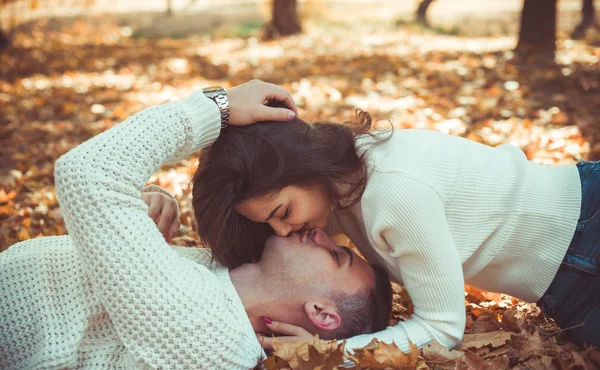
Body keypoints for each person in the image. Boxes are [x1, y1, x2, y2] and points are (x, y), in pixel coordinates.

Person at [0, 80, 393, 370]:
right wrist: (152, 202)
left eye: (338, 257)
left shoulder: (205, 329)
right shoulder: (226, 295)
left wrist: (215, 107)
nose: (323, 235)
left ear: (322, 312)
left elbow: (86, 173)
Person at [190, 99, 600, 351]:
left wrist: (330, 354)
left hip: (590, 227)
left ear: (308, 167)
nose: (282, 234)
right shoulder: (335, 189)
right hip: (566, 290)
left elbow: (442, 328)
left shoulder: (393, 191)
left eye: (282, 214)